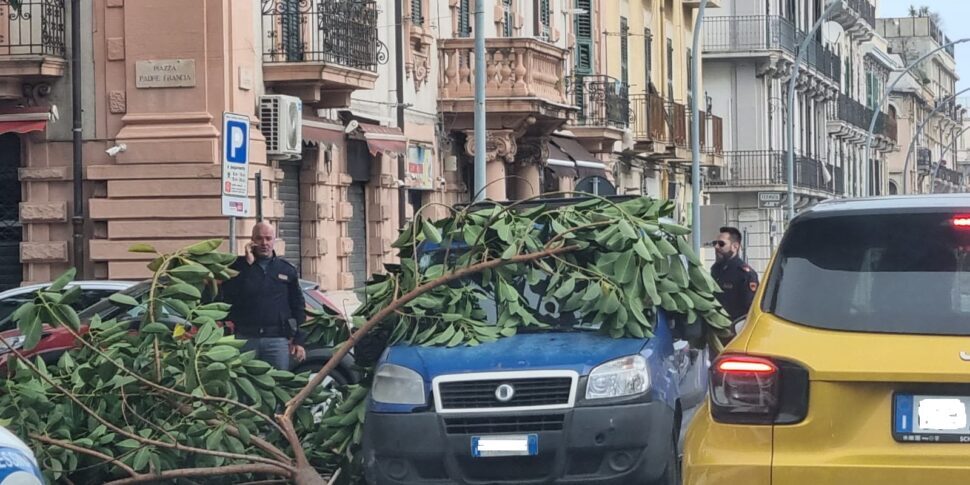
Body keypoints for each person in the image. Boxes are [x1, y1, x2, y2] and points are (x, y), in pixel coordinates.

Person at [220, 222, 307, 369]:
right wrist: (248, 265)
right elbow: (227, 297)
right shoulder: (237, 267)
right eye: (259, 238)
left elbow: (298, 307)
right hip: (245, 339)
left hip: (277, 340)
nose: (264, 243)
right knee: (246, 386)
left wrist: (299, 340)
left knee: (277, 386)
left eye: (268, 238)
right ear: (252, 240)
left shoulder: (286, 269)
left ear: (274, 240)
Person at [710, 226, 759, 321]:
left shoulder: (745, 275)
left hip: (735, 329)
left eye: (721, 244)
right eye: (715, 243)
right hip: (716, 327)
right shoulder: (716, 269)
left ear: (735, 247)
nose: (716, 247)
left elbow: (750, 309)